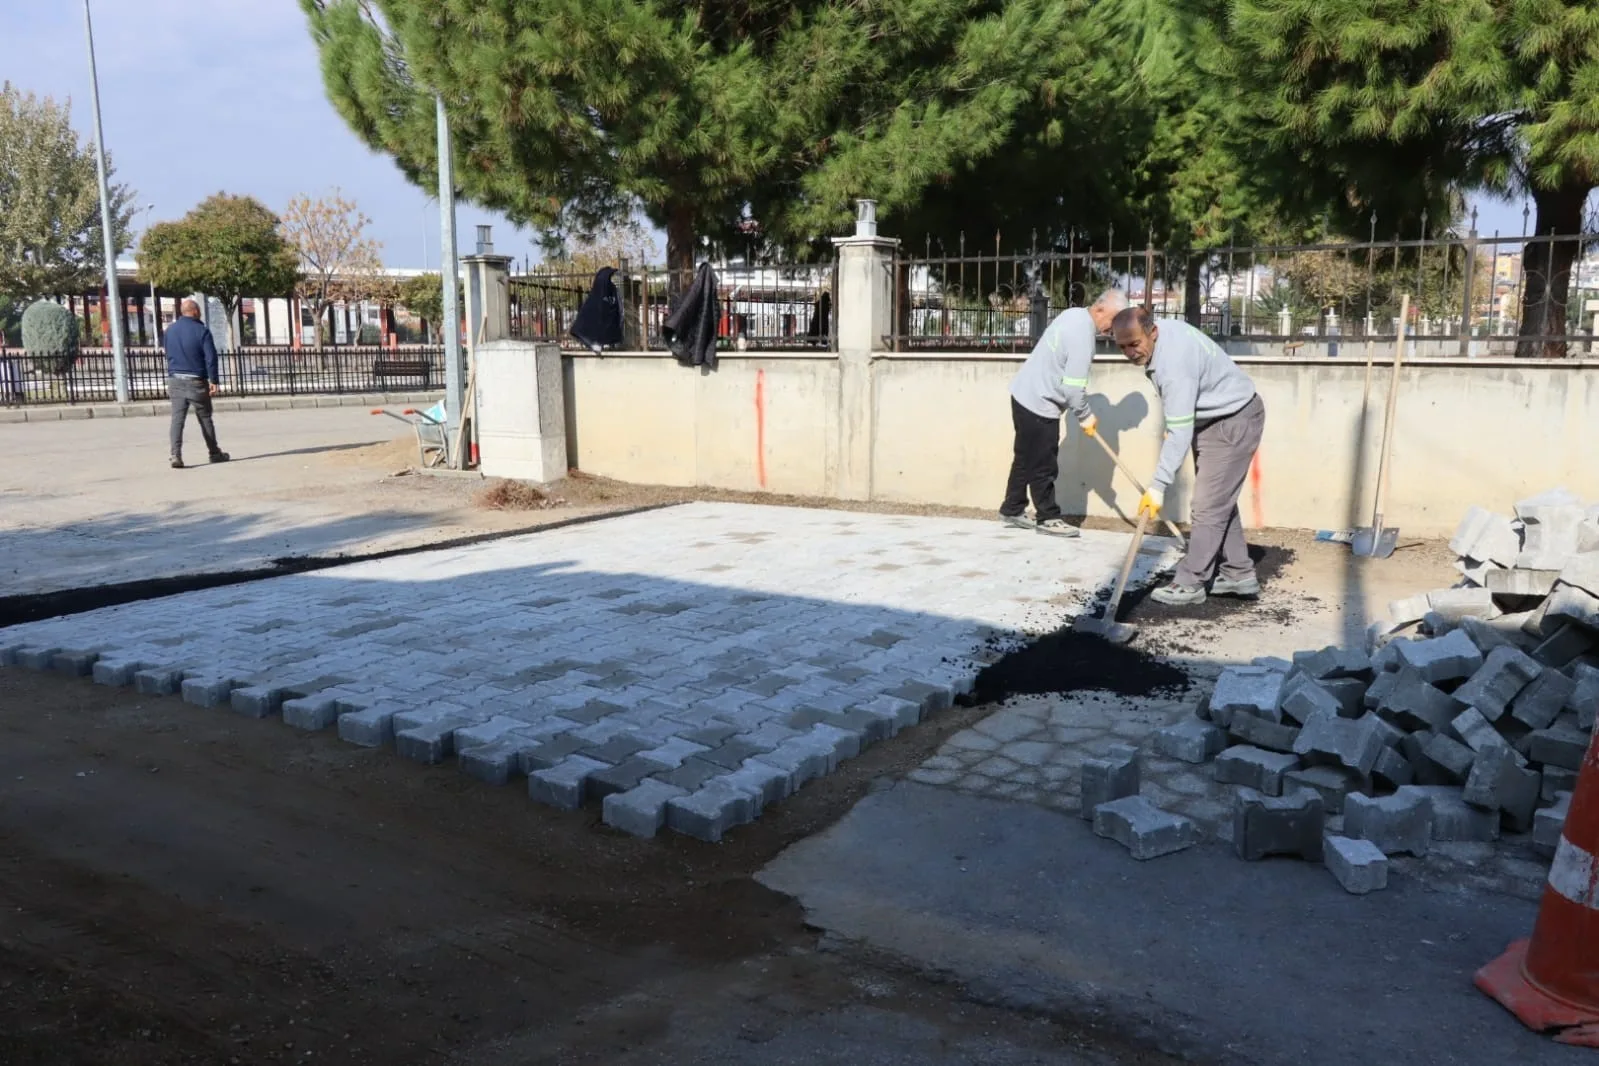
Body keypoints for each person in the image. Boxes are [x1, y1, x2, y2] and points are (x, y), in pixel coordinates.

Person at [1110, 305, 1265, 606]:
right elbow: (1180, 424)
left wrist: (1157, 487)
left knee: (1207, 505)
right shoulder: (1160, 339)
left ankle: (1190, 582)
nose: (1129, 352)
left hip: (1232, 420)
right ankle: (1237, 573)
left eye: (1134, 344)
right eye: (1122, 346)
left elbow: (1179, 430)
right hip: (1213, 419)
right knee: (1219, 500)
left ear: (1152, 332)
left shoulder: (1173, 364)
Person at [1000, 288, 1129, 537]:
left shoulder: (1073, 315)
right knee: (1043, 463)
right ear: (1100, 309)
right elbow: (1072, 390)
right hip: (1040, 402)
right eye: (1113, 321)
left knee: (1025, 456)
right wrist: (1085, 416)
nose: (1113, 329)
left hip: (1022, 394)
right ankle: (1048, 517)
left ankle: (1012, 508)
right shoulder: (1084, 337)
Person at [163, 299, 229, 469]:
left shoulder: (170, 331)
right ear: (194, 311)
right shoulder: (202, 331)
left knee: (177, 418)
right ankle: (214, 453)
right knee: (205, 417)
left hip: (175, 379)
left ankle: (175, 455)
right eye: (198, 311)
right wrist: (213, 379)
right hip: (196, 381)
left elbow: (168, 352)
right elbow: (210, 357)